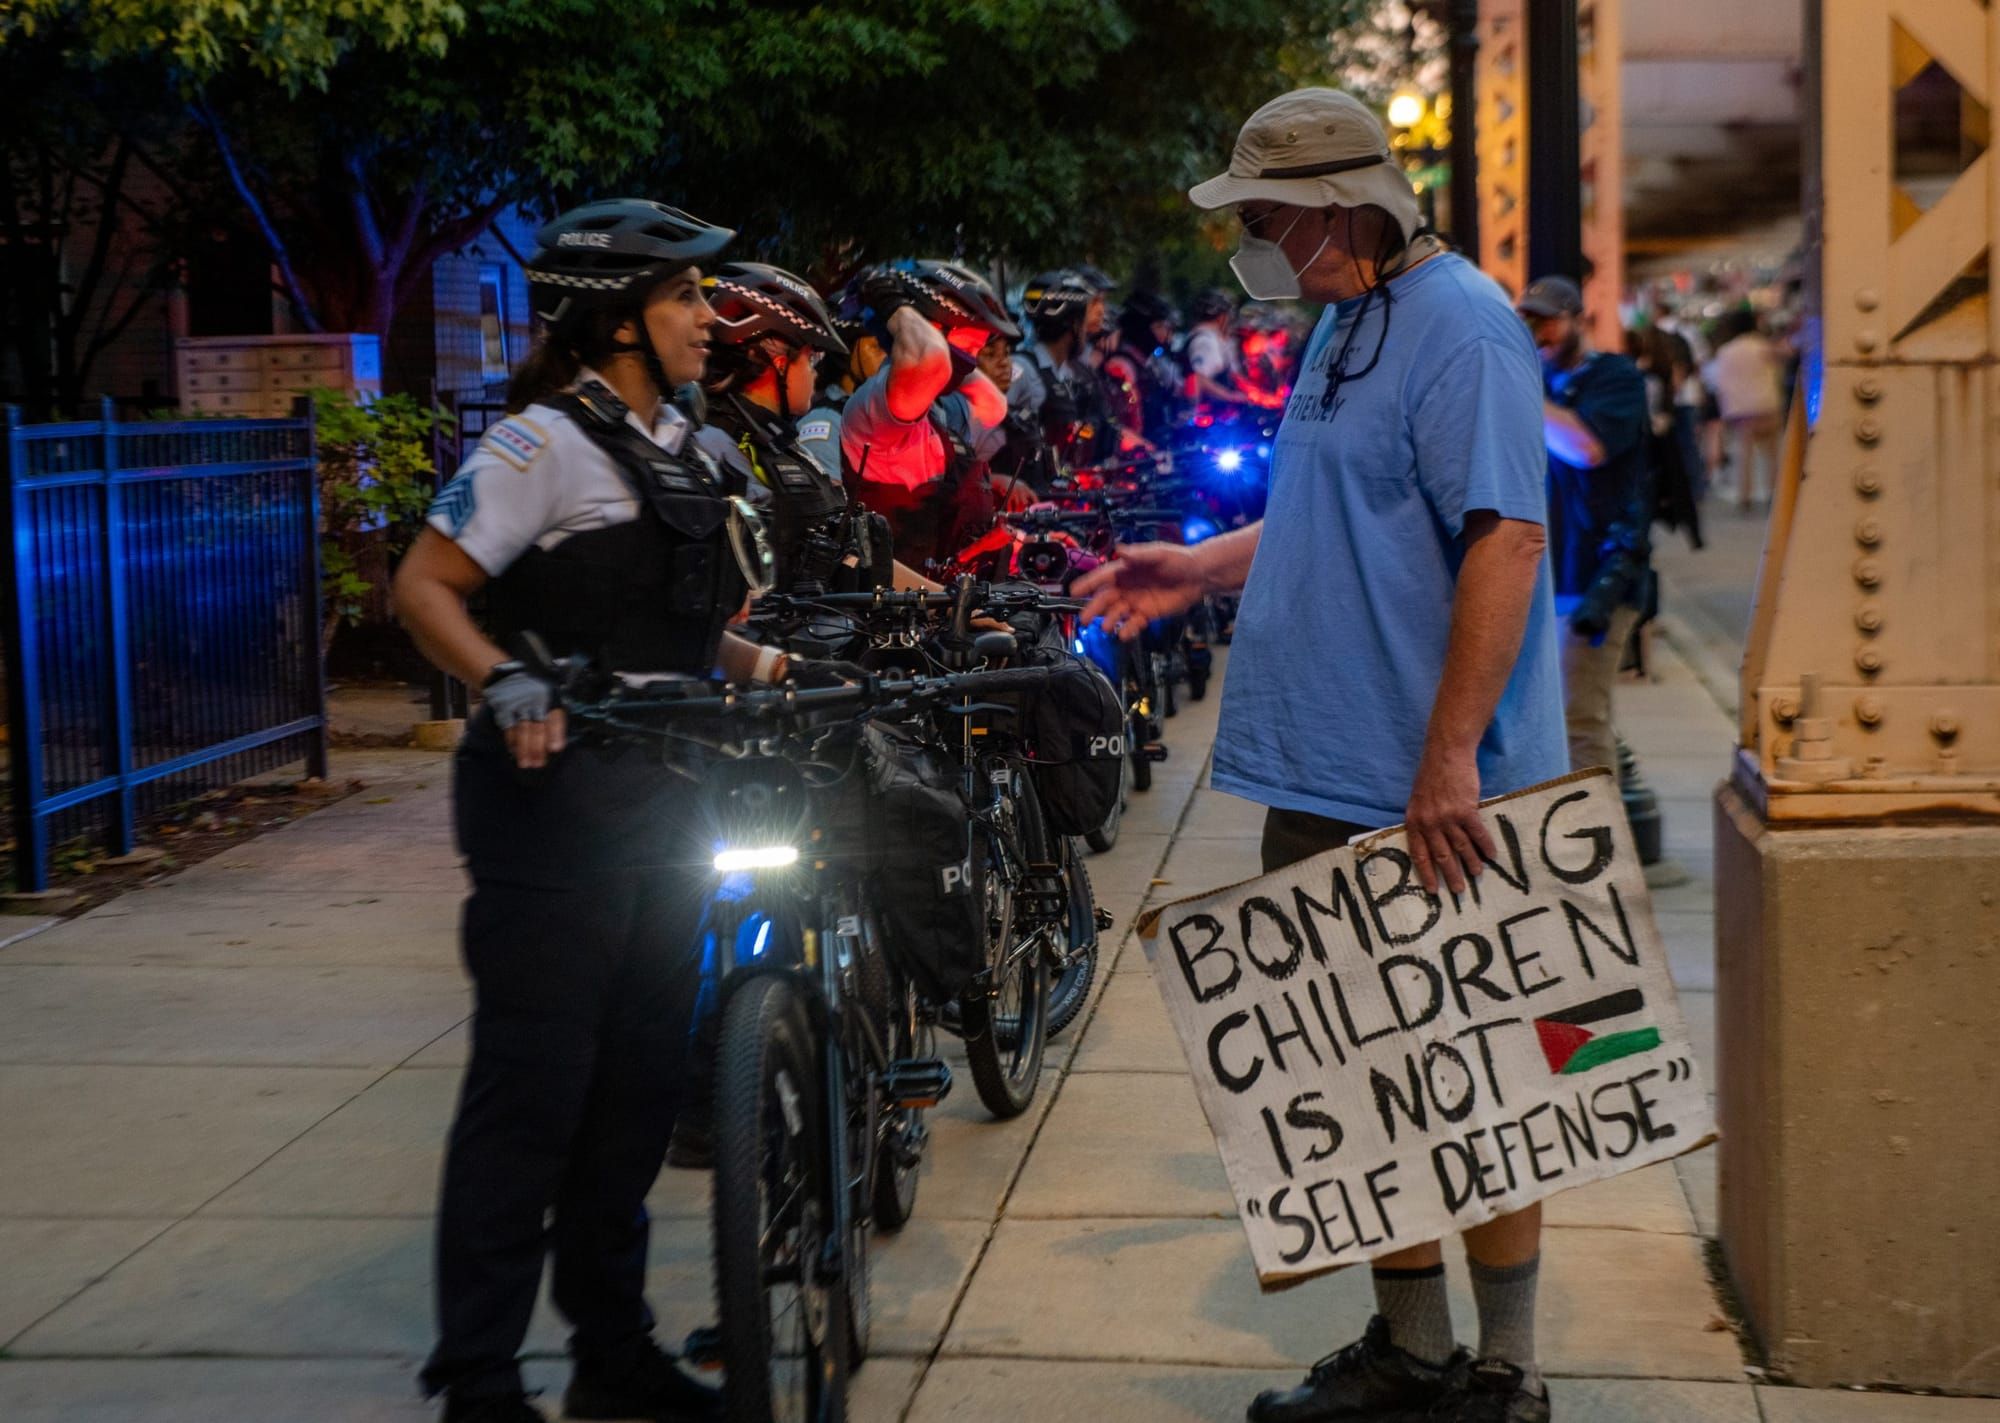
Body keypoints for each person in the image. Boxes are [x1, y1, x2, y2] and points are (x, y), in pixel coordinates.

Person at [1075, 87, 1567, 1423]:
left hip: (1431, 793)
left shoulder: (1462, 325)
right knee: (1360, 1080)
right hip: (1327, 773)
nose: (1259, 241)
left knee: (1479, 1083)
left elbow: (1507, 539)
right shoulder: (1346, 321)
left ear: (1346, 209)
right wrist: (1196, 568)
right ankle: (1411, 1351)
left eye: (1269, 217)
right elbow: (1322, 514)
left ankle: (1506, 1375)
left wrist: (1452, 755)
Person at [393, 199, 847, 1423]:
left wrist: (780, 670)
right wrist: (504, 675)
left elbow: (685, 632)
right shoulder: (538, 450)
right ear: (619, 320)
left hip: (663, 795)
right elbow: (425, 586)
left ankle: (612, 1351)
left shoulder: (686, 450)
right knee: (532, 1096)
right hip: (548, 809)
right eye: (688, 298)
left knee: (638, 1090)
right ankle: (479, 1380)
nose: (711, 318)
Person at [1517, 276, 1653, 779]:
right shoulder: (1547, 384)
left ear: (1577, 320)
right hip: (1548, 577)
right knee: (1555, 725)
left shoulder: (1615, 378)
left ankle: (1601, 848)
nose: (1539, 334)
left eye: (1548, 321)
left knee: (1579, 722)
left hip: (1597, 577)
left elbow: (1586, 448)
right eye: (1528, 323)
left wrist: (1519, 383)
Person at [692, 261, 892, 592]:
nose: (815, 372)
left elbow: (848, 544)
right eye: (810, 359)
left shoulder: (779, 442)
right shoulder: (719, 443)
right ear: (777, 361)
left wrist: (943, 601)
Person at [835, 259, 1022, 571]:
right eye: (971, 343)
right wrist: (891, 304)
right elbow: (930, 358)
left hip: (949, 605)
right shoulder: (880, 405)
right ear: (933, 328)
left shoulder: (939, 410)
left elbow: (993, 405)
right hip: (894, 610)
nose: (973, 359)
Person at [1012, 268, 1114, 463]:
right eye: (1083, 323)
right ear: (1073, 325)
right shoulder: (1022, 370)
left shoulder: (1064, 373)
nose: (1086, 332)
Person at [1703, 309, 1784, 510]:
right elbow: (1778, 368)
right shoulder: (1763, 346)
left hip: (1740, 410)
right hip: (1767, 404)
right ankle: (1773, 492)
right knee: (1772, 454)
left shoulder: (1726, 351)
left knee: (1744, 454)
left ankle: (1744, 496)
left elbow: (1719, 381)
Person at [1102, 289, 1181, 443]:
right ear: (1142, 328)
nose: (1167, 334)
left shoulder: (1150, 364)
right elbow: (1130, 418)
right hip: (1140, 453)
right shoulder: (1122, 366)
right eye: (1160, 326)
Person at [1183, 287, 1252, 406]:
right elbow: (1198, 378)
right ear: (1221, 316)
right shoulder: (1206, 340)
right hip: (1213, 414)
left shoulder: (1206, 337)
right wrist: (1230, 396)